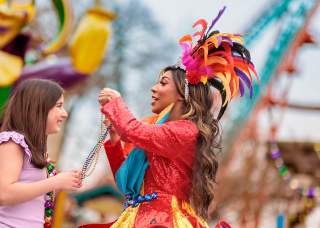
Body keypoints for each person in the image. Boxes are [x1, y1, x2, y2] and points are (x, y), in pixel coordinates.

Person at [81, 7, 257, 228]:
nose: (153, 89)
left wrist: (117, 103)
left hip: (164, 221)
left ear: (183, 95)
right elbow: (127, 184)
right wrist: (115, 140)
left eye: (163, 83)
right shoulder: (160, 129)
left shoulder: (186, 131)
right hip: (139, 217)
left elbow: (134, 130)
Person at [0, 79, 82, 228]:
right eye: (59, 106)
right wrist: (56, 182)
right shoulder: (13, 142)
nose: (64, 114)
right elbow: (4, 193)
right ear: (39, 107)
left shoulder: (37, 149)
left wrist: (65, 181)